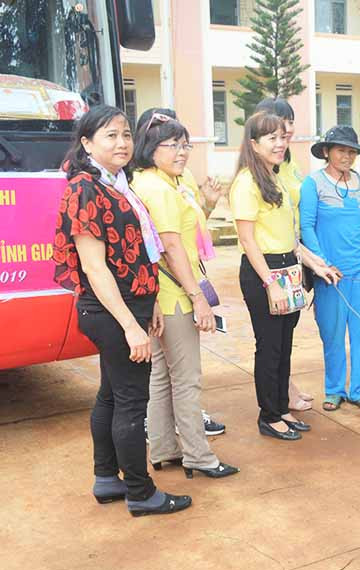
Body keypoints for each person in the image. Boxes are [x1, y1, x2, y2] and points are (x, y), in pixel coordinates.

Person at [52, 104, 191, 517]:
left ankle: (107, 478)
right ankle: (141, 492)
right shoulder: (85, 189)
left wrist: (149, 308)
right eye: (110, 135)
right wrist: (132, 327)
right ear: (86, 143)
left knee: (111, 395)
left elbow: (135, 255)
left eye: (127, 134)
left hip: (131, 307)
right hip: (112, 313)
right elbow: (95, 268)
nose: (122, 142)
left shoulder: (117, 183)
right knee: (132, 400)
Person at [131, 112, 239, 479]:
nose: (182, 152)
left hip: (161, 296)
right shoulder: (158, 188)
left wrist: (206, 204)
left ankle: (163, 448)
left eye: (184, 144)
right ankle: (198, 455)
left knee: (162, 375)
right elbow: (173, 247)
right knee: (187, 379)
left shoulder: (160, 181)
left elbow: (187, 232)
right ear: (150, 148)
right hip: (174, 296)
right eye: (172, 145)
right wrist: (198, 298)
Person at [232, 112, 339, 441]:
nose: (280, 144)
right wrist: (270, 284)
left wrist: (315, 263)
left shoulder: (274, 177)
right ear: (254, 144)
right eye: (272, 139)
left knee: (284, 344)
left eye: (283, 137)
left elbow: (289, 237)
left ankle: (281, 408)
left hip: (286, 268)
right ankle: (268, 415)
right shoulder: (246, 182)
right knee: (268, 347)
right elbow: (248, 240)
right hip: (263, 272)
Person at [300, 126, 360, 412]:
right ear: (326, 152)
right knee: (331, 333)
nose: (347, 156)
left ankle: (359, 390)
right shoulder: (313, 184)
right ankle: (334, 389)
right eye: (341, 150)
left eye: (352, 151)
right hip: (329, 273)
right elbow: (306, 226)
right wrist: (321, 263)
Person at [254, 97, 316, 413]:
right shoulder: (257, 174)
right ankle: (276, 405)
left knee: (286, 335)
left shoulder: (289, 165)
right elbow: (249, 236)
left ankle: (284, 393)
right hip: (269, 262)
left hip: (293, 257)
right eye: (279, 124)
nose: (286, 130)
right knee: (271, 342)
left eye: (289, 122)